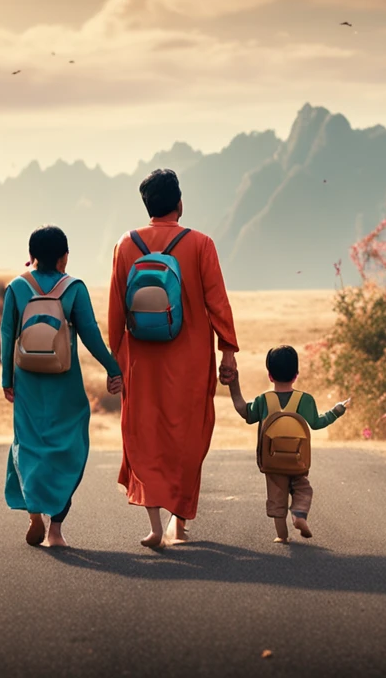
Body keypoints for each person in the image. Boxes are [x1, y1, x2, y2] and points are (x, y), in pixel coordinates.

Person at [109, 169, 239, 548]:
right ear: (180, 203)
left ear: (146, 205)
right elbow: (218, 304)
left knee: (144, 435)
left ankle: (154, 526)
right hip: (191, 363)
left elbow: (117, 311)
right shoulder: (201, 244)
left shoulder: (125, 244)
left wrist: (114, 363)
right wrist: (227, 354)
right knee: (188, 438)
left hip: (141, 364)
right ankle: (178, 525)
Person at [2, 226, 123, 548]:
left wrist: (6, 380)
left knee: (27, 445)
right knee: (70, 449)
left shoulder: (16, 287)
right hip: (65, 384)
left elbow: (6, 335)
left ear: (31, 257)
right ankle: (55, 530)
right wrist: (114, 369)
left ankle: (33, 512)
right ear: (64, 256)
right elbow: (91, 336)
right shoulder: (73, 288)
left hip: (27, 382)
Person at [227, 345, 348, 544]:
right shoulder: (305, 399)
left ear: (270, 375)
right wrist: (336, 411)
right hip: (298, 461)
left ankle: (282, 536)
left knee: (277, 499)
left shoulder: (263, 400)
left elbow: (244, 411)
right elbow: (317, 424)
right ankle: (299, 515)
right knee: (302, 489)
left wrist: (234, 385)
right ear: (296, 375)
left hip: (272, 461)